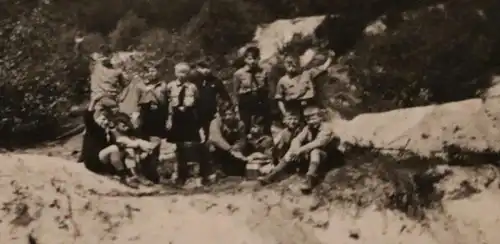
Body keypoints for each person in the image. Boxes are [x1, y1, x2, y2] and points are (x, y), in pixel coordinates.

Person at [258, 105, 337, 192]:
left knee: (315, 151)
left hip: (327, 157)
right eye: (308, 119)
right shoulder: (308, 128)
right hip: (311, 157)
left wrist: (300, 150)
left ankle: (310, 178)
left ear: (321, 117)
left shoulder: (327, 127)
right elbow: (297, 139)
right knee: (291, 151)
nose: (310, 122)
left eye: (313, 118)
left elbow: (319, 142)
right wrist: (295, 149)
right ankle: (272, 175)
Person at [166, 62, 207, 186]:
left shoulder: (192, 87)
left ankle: (194, 176)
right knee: (178, 147)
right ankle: (179, 175)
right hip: (177, 118)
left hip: (189, 118)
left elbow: (197, 103)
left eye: (185, 72)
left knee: (191, 146)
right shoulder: (171, 86)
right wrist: (169, 119)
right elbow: (168, 104)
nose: (182, 75)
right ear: (175, 73)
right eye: (180, 72)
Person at [97, 112, 156, 188]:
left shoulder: (128, 133)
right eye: (124, 125)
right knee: (118, 151)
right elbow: (121, 144)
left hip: (121, 157)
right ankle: (125, 176)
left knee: (131, 150)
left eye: (127, 125)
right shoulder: (112, 132)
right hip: (106, 158)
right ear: (116, 124)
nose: (126, 127)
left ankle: (135, 174)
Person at [274, 51, 335, 120]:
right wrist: (285, 114)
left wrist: (330, 57)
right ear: (284, 65)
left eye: (294, 62)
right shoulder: (282, 81)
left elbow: (323, 67)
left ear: (298, 63)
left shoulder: (307, 73)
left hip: (312, 107)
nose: (291, 65)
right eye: (288, 63)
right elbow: (279, 99)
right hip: (296, 111)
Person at [232, 45, 272, 135]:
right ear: (245, 59)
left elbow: (268, 88)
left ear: (259, 58)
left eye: (255, 58)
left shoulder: (264, 71)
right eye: (250, 59)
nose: (253, 61)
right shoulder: (238, 74)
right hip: (246, 102)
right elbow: (235, 93)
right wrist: (236, 109)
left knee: (264, 127)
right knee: (245, 128)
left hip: (260, 101)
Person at [192, 57, 233, 141]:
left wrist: (224, 108)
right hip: (195, 112)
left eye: (208, 67)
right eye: (202, 68)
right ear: (197, 68)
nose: (206, 70)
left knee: (210, 134)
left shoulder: (216, 81)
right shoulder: (193, 81)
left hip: (211, 113)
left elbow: (225, 96)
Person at [207, 103, 248, 177]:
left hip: (233, 150)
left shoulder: (239, 123)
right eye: (225, 115)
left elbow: (242, 139)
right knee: (211, 146)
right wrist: (230, 149)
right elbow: (215, 138)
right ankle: (216, 169)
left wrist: (237, 147)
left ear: (234, 114)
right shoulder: (215, 122)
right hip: (219, 148)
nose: (227, 117)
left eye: (230, 114)